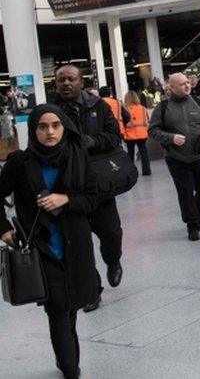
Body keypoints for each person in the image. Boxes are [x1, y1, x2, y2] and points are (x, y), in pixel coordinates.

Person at [0, 105, 99, 379]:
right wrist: (3, 229)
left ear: (64, 126)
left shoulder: (77, 156)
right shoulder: (20, 162)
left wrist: (66, 199)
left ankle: (64, 358)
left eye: (55, 125)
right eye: (43, 127)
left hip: (76, 246)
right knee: (58, 308)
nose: (50, 132)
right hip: (41, 248)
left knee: (71, 307)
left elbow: (93, 198)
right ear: (34, 130)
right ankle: (70, 368)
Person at [50, 65, 125, 312]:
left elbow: (115, 136)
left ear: (81, 82)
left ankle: (113, 261)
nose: (66, 83)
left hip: (99, 186)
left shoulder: (98, 106)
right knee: (80, 246)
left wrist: (92, 141)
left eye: (71, 79)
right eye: (61, 79)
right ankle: (92, 291)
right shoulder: (50, 112)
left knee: (112, 234)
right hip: (68, 190)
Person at [148, 74, 200, 241]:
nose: (187, 86)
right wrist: (171, 138)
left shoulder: (199, 102)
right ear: (171, 88)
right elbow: (152, 131)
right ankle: (193, 226)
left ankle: (195, 211)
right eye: (182, 84)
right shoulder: (163, 108)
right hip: (176, 158)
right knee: (186, 190)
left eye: (188, 82)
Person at [122, 90, 152, 176]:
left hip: (130, 134)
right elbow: (147, 120)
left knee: (130, 153)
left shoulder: (125, 109)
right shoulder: (143, 108)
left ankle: (131, 172)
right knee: (144, 153)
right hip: (142, 133)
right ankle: (147, 171)